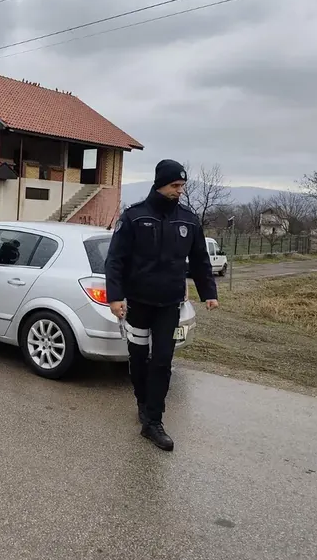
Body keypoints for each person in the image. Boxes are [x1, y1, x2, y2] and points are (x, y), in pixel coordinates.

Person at [104, 159, 219, 451]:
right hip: (139, 303)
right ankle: (143, 402)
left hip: (169, 304)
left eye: (182, 186)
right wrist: (115, 297)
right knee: (138, 359)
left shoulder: (188, 220)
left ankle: (154, 421)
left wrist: (209, 293)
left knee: (163, 360)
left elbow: (200, 261)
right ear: (160, 184)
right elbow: (115, 260)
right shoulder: (134, 217)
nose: (179, 191)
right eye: (175, 186)